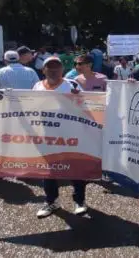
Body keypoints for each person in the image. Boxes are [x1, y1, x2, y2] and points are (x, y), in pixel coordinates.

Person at [32, 57, 87, 219]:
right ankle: (52, 202)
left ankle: (80, 201)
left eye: (57, 67)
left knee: (75, 170)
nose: (53, 70)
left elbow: (86, 107)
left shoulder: (72, 85)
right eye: (49, 67)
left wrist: (79, 99)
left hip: (70, 136)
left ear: (62, 69)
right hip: (46, 137)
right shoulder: (37, 86)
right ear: (43, 70)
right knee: (48, 172)